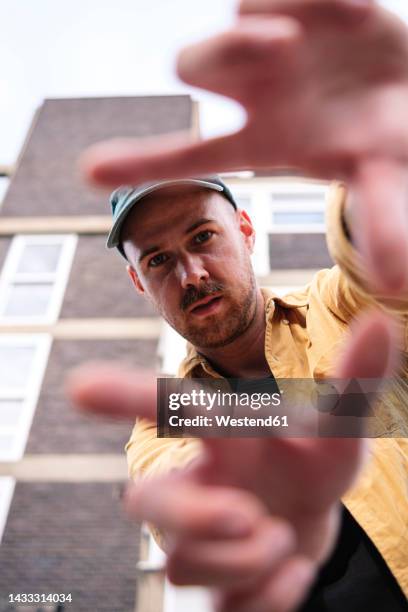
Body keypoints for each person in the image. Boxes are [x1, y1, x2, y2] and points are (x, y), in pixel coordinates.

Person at [67, 0, 408, 610]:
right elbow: (178, 491)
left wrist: (383, 167)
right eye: (159, 260)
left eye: (203, 237)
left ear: (246, 231)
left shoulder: (338, 309)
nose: (192, 273)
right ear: (140, 285)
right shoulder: (159, 419)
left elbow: (386, 275)